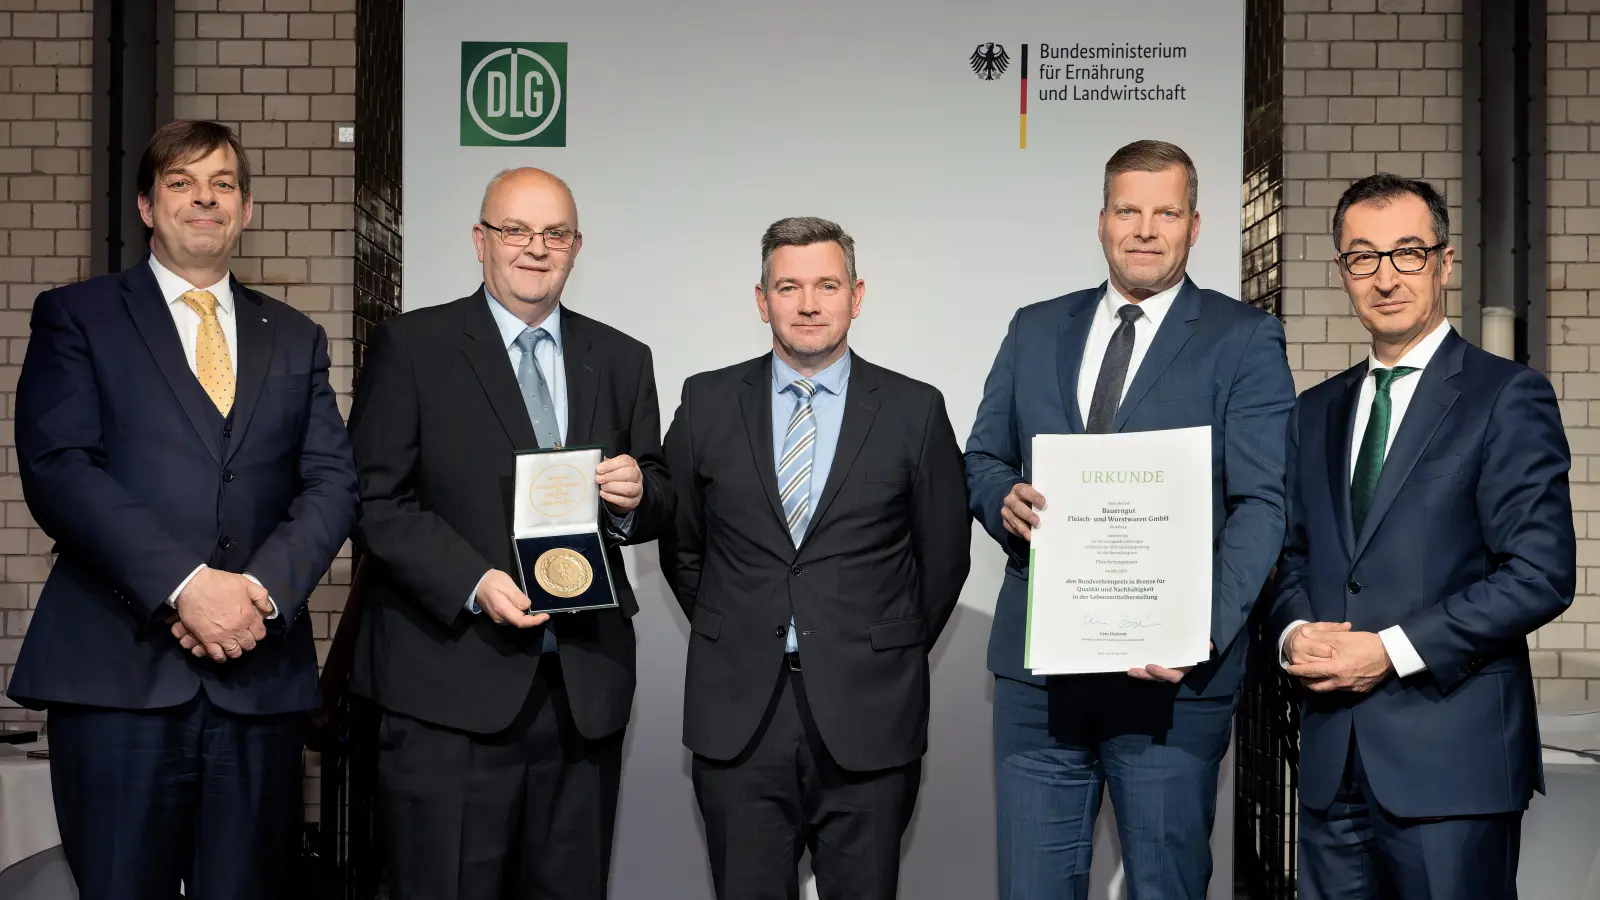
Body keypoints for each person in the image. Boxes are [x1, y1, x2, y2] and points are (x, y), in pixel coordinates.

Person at [7, 119, 359, 899]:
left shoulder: (294, 337)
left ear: (247, 207)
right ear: (145, 205)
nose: (205, 199)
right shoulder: (79, 316)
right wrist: (187, 584)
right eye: (182, 183)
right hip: (118, 676)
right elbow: (60, 469)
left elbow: (333, 482)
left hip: (257, 681)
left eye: (223, 184)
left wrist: (257, 592)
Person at [964, 139, 1295, 899]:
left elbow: (1262, 504)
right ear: (1102, 220)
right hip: (1040, 679)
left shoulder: (1242, 340)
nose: (1145, 228)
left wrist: (1199, 628)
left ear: (1195, 224)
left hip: (1171, 686)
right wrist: (1000, 497)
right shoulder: (1034, 328)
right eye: (1128, 210)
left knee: (1165, 887)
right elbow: (982, 457)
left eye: (1166, 211)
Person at [347, 167, 673, 900]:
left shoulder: (621, 358)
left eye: (554, 233)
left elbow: (659, 494)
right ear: (480, 240)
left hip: (581, 696)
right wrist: (473, 581)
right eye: (516, 231)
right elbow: (372, 500)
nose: (536, 248)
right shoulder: (413, 346)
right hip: (449, 693)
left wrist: (633, 496)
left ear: (576, 247)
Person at [1271, 173, 1575, 899]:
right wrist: (1293, 632)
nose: (1386, 277)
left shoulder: (1505, 395)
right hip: (1330, 768)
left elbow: (1539, 572)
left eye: (1407, 252)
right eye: (1363, 257)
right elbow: (1293, 555)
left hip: (1452, 771)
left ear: (1444, 261)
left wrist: (1390, 650)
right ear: (1342, 271)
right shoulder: (1313, 410)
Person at [659, 216, 970, 900]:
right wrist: (740, 623)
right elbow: (683, 548)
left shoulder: (915, 410)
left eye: (826, 285)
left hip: (869, 714)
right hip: (740, 715)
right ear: (760, 298)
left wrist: (881, 646)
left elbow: (943, 559)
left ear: (856, 295)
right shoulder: (705, 401)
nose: (808, 303)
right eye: (788, 286)